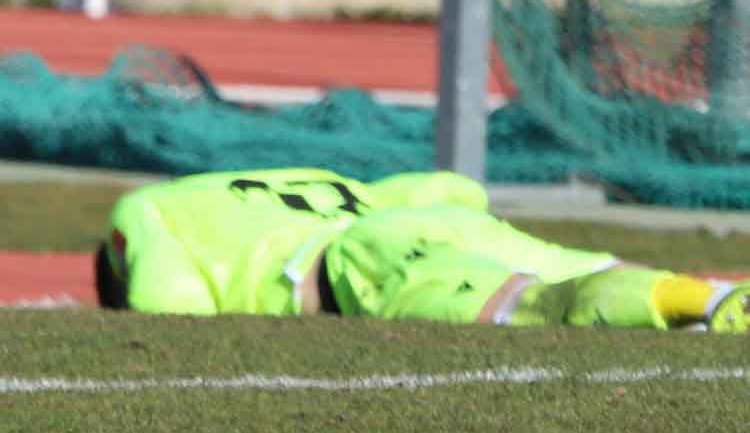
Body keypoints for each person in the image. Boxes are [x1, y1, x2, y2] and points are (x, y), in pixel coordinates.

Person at [94, 165, 750, 331]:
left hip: (357, 263)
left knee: (537, 307)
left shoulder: (146, 211)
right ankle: (716, 296)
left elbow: (163, 305)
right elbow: (450, 188)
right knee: (594, 267)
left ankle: (696, 302)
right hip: (435, 221)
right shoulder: (277, 183)